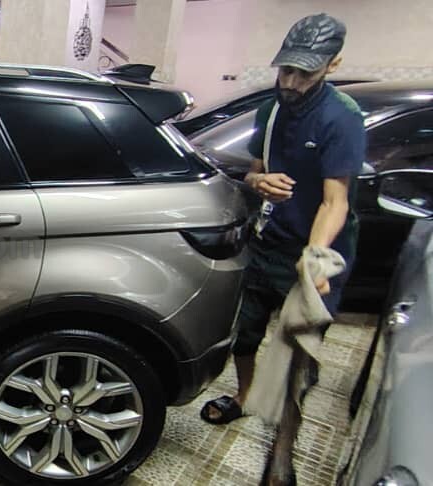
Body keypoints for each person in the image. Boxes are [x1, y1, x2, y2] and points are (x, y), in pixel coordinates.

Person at [200, 13, 366, 425]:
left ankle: (287, 428)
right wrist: (258, 181)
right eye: (286, 70)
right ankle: (243, 396)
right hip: (267, 242)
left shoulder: (341, 117)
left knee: (298, 349)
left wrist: (315, 258)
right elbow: (254, 171)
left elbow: (335, 202)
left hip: (312, 250)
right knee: (245, 332)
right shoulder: (270, 110)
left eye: (303, 74)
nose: (290, 82)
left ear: (333, 65)